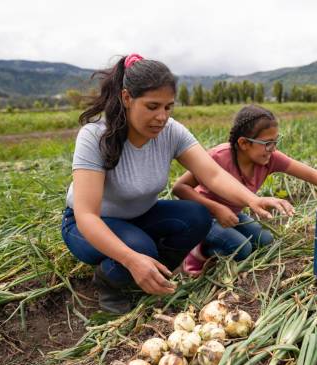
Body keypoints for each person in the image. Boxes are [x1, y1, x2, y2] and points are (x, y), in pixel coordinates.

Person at [61, 55, 293, 314]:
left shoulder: (171, 131)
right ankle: (110, 283)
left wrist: (252, 200)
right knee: (139, 249)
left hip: (140, 216)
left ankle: (155, 274)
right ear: (127, 98)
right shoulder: (95, 136)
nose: (161, 116)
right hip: (87, 226)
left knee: (197, 215)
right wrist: (131, 259)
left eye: (168, 107)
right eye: (152, 107)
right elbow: (87, 215)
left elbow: (213, 175)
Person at [172, 104, 317, 276]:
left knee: (265, 241)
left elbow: (315, 176)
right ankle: (197, 253)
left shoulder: (269, 159)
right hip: (203, 218)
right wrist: (216, 209)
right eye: (267, 143)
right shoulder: (218, 157)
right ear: (243, 143)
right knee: (242, 249)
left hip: (232, 215)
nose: (273, 149)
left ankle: (218, 246)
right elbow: (179, 188)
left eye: (275, 142)